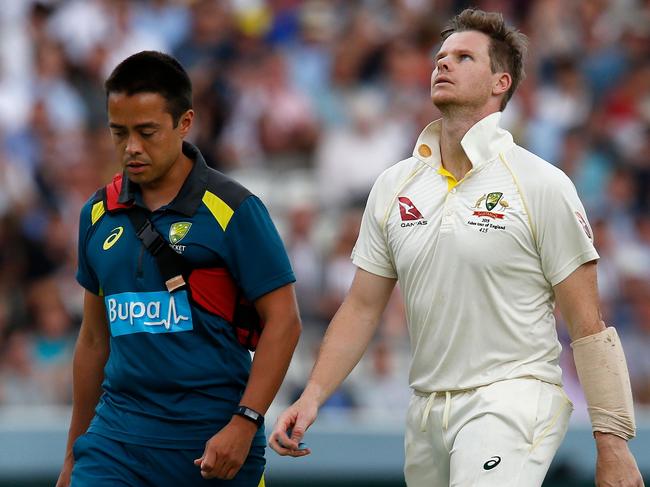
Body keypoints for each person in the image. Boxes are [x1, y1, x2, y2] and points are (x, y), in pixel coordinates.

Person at [270, 9, 644, 487]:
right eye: (440, 57)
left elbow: (588, 325)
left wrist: (612, 444)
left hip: (513, 398)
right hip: (426, 409)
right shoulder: (394, 185)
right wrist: (312, 396)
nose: (442, 65)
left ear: (499, 83)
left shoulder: (541, 184)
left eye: (463, 57)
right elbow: (362, 307)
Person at [56, 51, 301, 487]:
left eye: (146, 132)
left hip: (211, 444)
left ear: (184, 123)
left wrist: (244, 424)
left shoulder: (235, 210)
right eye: (119, 132)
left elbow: (284, 321)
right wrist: (75, 453)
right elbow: (94, 339)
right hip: (116, 444)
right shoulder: (95, 214)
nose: (131, 147)